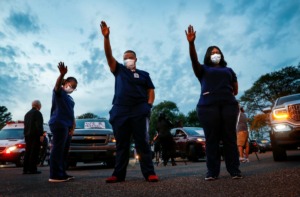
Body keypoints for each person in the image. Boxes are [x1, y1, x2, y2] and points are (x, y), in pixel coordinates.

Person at [100, 21, 158, 183]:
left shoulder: (144, 74)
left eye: (130, 58)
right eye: (125, 58)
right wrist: (106, 38)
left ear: (136, 59)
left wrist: (149, 105)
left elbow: (151, 90)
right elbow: (108, 55)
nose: (127, 60)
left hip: (140, 109)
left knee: (142, 143)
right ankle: (118, 174)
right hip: (121, 110)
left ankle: (149, 173)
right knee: (122, 145)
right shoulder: (119, 70)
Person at [185, 25, 242, 180]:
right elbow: (193, 59)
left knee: (230, 138)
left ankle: (234, 170)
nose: (215, 54)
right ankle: (212, 172)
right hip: (207, 107)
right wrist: (191, 44)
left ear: (221, 55)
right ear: (208, 56)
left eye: (217, 52)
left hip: (228, 106)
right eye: (212, 52)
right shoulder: (202, 69)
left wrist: (224, 92)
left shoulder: (228, 70)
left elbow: (235, 90)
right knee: (212, 140)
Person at [48, 62, 77, 182]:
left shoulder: (69, 98)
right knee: (58, 149)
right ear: (65, 83)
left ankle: (62, 172)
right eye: (71, 85)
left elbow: (71, 112)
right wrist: (61, 75)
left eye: (74, 87)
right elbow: (56, 86)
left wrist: (73, 126)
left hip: (67, 125)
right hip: (59, 123)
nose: (72, 88)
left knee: (64, 150)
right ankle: (55, 175)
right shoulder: (59, 91)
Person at [23, 100, 44, 174]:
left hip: (27, 135)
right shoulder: (37, 113)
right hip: (35, 135)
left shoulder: (27, 114)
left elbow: (25, 126)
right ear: (38, 105)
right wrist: (41, 135)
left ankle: (25, 169)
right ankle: (32, 169)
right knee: (34, 152)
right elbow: (39, 125)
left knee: (27, 152)